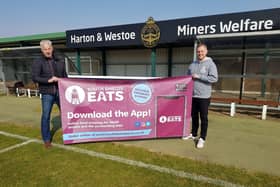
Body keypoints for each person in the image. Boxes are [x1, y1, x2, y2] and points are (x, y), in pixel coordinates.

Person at [32, 40, 67, 148]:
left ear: (52, 48)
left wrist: (62, 81)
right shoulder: (38, 62)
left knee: (66, 114)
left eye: (49, 49)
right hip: (47, 93)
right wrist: (49, 80)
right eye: (45, 49)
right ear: (42, 50)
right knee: (46, 116)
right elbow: (35, 77)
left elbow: (65, 76)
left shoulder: (59, 60)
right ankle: (47, 139)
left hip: (60, 92)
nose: (48, 51)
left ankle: (69, 134)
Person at [183, 43, 218, 148]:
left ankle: (202, 138)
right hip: (193, 95)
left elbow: (214, 78)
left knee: (203, 118)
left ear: (206, 52)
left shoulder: (210, 64)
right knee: (194, 116)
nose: (200, 53)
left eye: (202, 51)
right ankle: (193, 134)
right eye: (198, 51)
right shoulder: (192, 64)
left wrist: (199, 76)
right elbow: (187, 77)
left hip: (204, 96)